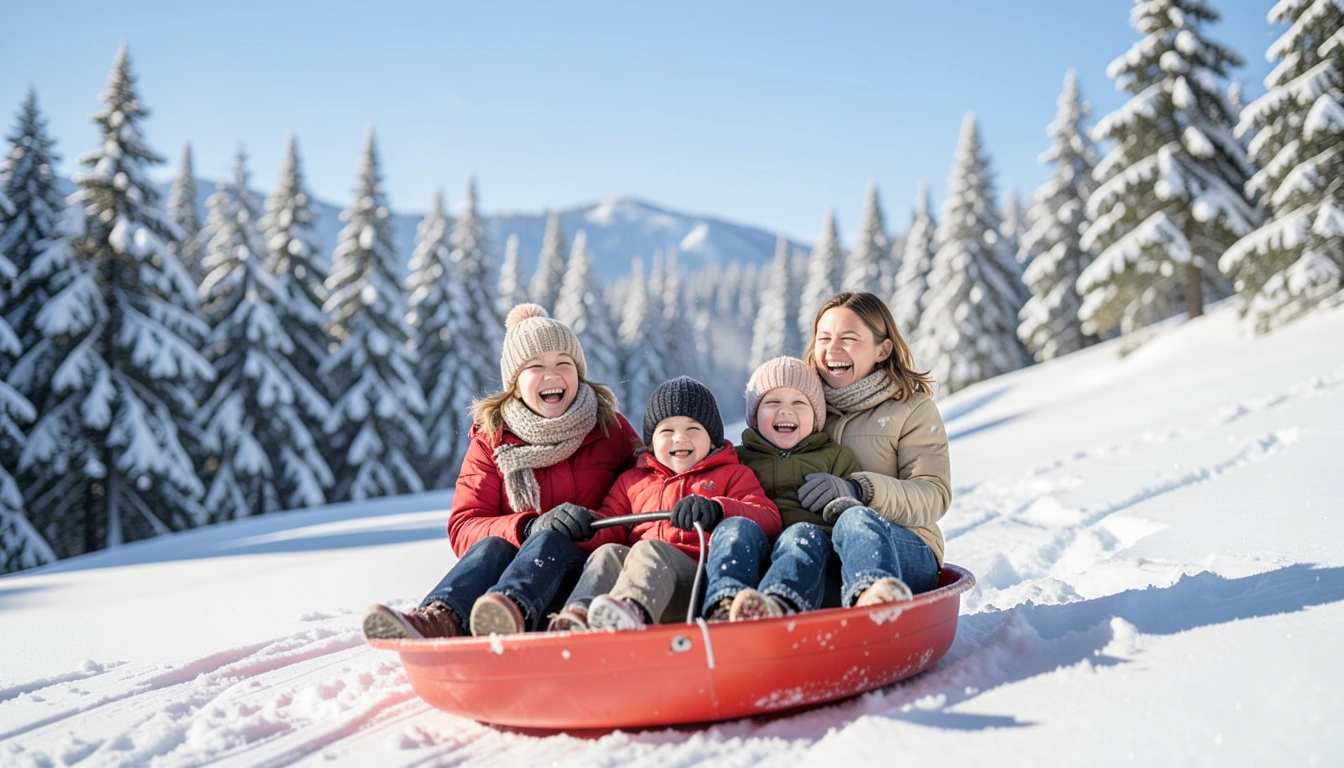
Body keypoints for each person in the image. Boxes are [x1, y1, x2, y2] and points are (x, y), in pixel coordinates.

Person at [362, 304, 639, 640]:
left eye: (563, 364)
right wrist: (526, 527)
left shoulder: (610, 428)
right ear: (515, 383)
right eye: (536, 366)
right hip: (509, 582)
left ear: (578, 372)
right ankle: (441, 618)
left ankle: (509, 612)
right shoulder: (492, 440)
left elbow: (644, 497)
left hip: (587, 584)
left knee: (552, 539)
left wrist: (591, 527)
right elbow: (464, 526)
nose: (552, 375)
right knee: (493, 545)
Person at [546, 377, 781, 632]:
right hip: (643, 578)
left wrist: (717, 509)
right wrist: (589, 528)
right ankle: (576, 617)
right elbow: (610, 523)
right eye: (667, 431)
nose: (680, 438)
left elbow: (767, 518)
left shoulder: (731, 474)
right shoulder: (632, 482)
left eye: (693, 429)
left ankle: (630, 609)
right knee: (608, 553)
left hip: (692, 584)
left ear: (712, 440)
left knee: (651, 550)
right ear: (652, 441)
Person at [787, 290, 951, 611]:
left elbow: (934, 495)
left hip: (903, 548)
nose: (832, 350)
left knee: (855, 521)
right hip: (826, 548)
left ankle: (876, 603)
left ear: (882, 349)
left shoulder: (911, 409)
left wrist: (861, 490)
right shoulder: (801, 409)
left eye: (848, 338)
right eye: (824, 338)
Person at [697, 356, 863, 621]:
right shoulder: (737, 459)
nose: (786, 411)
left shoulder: (834, 457)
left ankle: (779, 603)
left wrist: (843, 494)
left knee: (800, 534)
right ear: (754, 414)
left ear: (817, 414)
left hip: (815, 563)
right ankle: (725, 604)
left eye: (799, 402)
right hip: (755, 557)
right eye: (772, 402)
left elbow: (854, 517)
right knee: (733, 529)